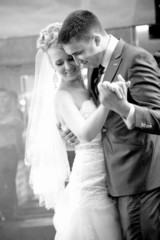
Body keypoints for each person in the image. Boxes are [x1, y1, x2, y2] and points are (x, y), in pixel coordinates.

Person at [58, 10, 160, 240]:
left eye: (78, 53)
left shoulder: (136, 58)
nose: (76, 62)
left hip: (141, 183)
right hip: (112, 183)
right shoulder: (94, 66)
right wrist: (72, 131)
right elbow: (101, 119)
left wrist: (125, 109)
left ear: (96, 39)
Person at [25, 23, 130, 240]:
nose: (68, 66)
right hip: (90, 180)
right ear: (52, 66)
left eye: (70, 58)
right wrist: (107, 102)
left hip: (112, 174)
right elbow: (84, 134)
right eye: (59, 63)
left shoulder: (91, 79)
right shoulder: (61, 96)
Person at [0, 88, 24, 221]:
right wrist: (5, 123)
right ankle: (4, 213)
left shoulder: (14, 112)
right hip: (0, 152)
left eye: (5, 97)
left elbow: (20, 127)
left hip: (12, 151)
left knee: (10, 183)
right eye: (1, 97)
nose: (3, 100)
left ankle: (11, 213)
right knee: (1, 184)